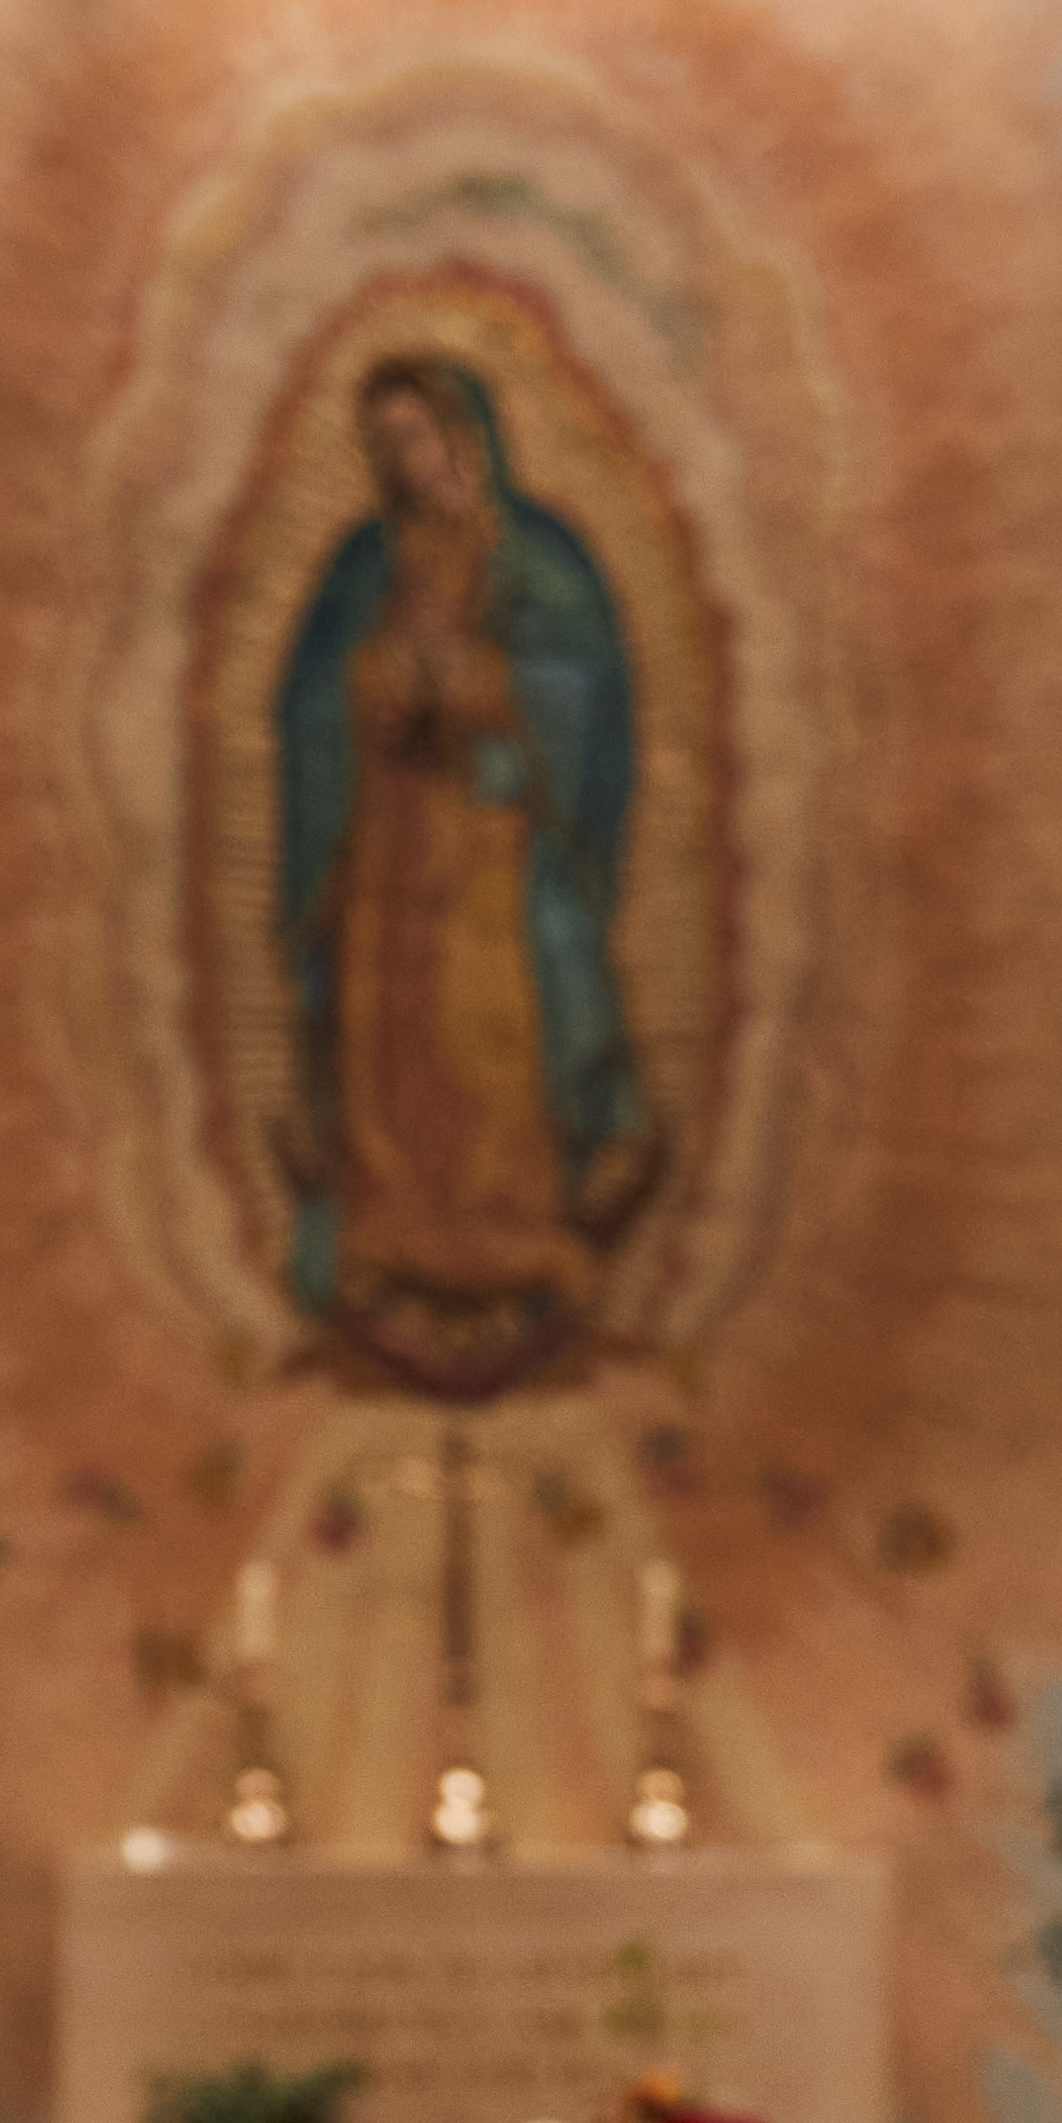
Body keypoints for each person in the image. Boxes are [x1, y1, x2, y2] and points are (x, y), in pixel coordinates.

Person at [272, 356, 662, 1397]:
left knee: (489, 1039)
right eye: (382, 445)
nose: (402, 461)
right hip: (391, 842)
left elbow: (585, 696)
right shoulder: (365, 567)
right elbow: (309, 703)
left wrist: (486, 685)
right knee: (390, 1037)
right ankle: (388, 1236)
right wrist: (377, 683)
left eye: (416, 435)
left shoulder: (541, 563)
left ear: (465, 433)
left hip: (494, 843)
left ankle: (509, 1235)